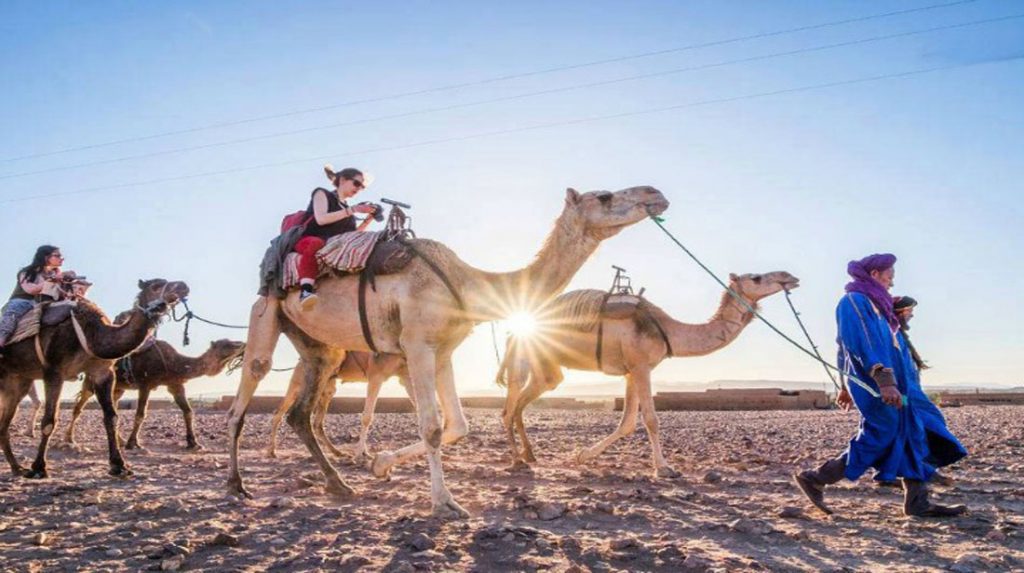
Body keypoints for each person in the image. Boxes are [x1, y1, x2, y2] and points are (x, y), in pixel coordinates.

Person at [794, 254, 966, 517]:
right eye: (889, 274)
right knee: (882, 431)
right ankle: (816, 478)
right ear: (874, 274)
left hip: (903, 387)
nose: (892, 280)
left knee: (917, 428)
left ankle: (917, 501)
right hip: (878, 384)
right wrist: (882, 382)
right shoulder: (855, 301)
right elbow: (858, 344)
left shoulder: (879, 308)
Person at [295, 165, 377, 309]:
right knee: (316, 243)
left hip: (332, 243)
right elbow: (321, 219)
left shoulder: (348, 211)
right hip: (308, 239)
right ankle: (306, 291)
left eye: (362, 187)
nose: (358, 189)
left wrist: (369, 219)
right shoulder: (322, 193)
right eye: (356, 183)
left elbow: (352, 235)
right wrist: (353, 210)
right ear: (343, 180)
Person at [0, 245, 64, 349]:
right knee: (10, 320)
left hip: (41, 303)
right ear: (46, 257)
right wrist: (51, 280)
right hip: (22, 302)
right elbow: (30, 289)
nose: (61, 258)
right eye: (57, 255)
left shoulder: (55, 274)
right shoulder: (28, 271)